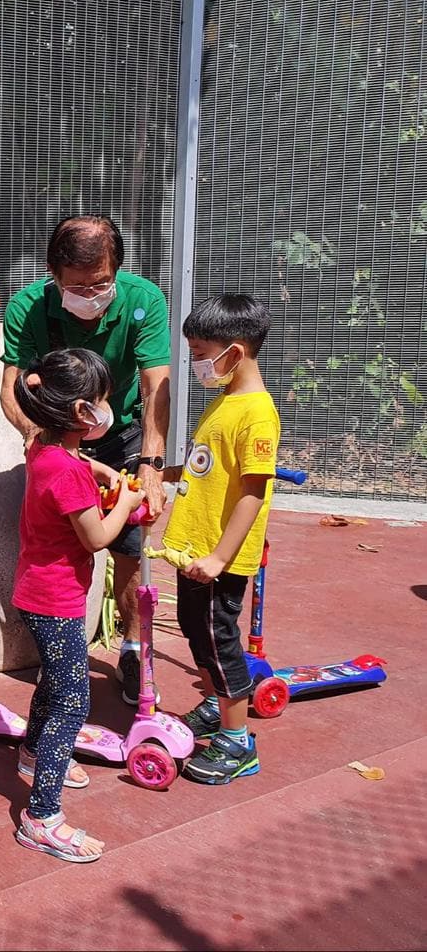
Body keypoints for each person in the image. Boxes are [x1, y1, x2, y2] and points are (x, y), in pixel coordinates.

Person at [0, 215, 172, 705]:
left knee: (131, 544)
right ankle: (59, 652)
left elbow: (156, 385)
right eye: (77, 287)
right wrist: (45, 440)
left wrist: (150, 465)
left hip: (121, 434)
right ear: (53, 275)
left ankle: (134, 647)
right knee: (54, 544)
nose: (91, 295)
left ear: (117, 269)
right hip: (55, 435)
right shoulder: (29, 307)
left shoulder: (143, 301)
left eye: (101, 283)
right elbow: (14, 386)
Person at [10, 348, 145, 864]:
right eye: (101, 401)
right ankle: (41, 817)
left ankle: (32, 754)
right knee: (73, 699)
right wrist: (127, 503)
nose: (107, 408)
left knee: (55, 678)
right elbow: (96, 538)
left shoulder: (43, 446)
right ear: (81, 415)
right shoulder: (66, 472)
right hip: (57, 600)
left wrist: (103, 471)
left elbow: (71, 462)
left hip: (33, 591)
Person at [161, 294, 279, 784]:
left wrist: (219, 557)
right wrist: (165, 472)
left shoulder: (256, 412)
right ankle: (215, 702)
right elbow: (213, 468)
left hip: (218, 557)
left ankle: (237, 742)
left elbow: (254, 491)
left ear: (234, 353)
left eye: (200, 353)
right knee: (197, 632)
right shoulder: (225, 400)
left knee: (220, 640)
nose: (196, 364)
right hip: (193, 547)